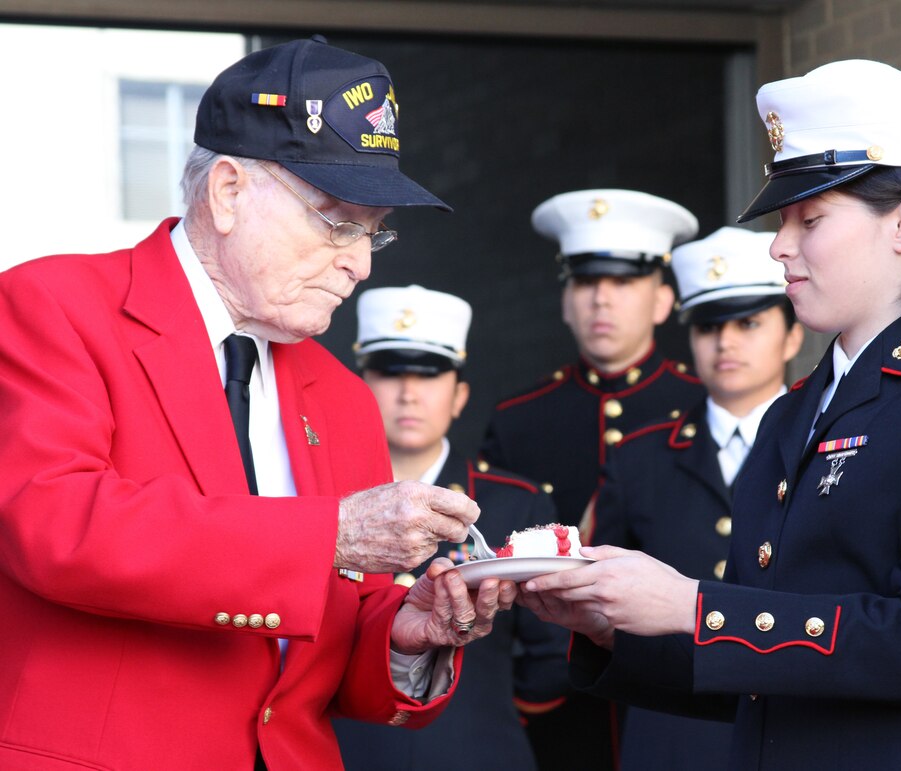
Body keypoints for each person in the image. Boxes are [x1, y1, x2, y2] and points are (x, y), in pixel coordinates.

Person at [520, 59, 901, 769]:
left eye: (811, 218)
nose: (779, 245)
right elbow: (765, 670)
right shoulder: (794, 414)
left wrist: (690, 605)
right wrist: (611, 622)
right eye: (783, 221)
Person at [0, 38, 517, 770]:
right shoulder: (53, 305)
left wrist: (405, 634)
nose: (359, 263)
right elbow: (53, 525)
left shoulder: (340, 394)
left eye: (375, 234)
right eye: (338, 223)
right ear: (229, 191)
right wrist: (327, 536)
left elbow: (327, 653)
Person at [480, 188, 706, 769]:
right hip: (554, 710)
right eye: (584, 283)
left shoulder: (702, 410)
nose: (601, 299)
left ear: (663, 300)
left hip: (676, 701)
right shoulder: (519, 420)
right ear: (563, 300)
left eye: (624, 283)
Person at [588, 226, 802, 769]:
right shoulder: (639, 458)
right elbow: (601, 602)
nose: (726, 342)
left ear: (793, 336)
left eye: (749, 322)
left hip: (799, 717)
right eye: (709, 326)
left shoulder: (835, 444)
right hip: (673, 730)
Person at [335, 285, 571, 770]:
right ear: (359, 386)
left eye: (428, 375)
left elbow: (552, 656)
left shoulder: (514, 503)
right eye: (389, 372)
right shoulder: (322, 500)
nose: (408, 393)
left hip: (474, 748)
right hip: (342, 751)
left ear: (460, 394)